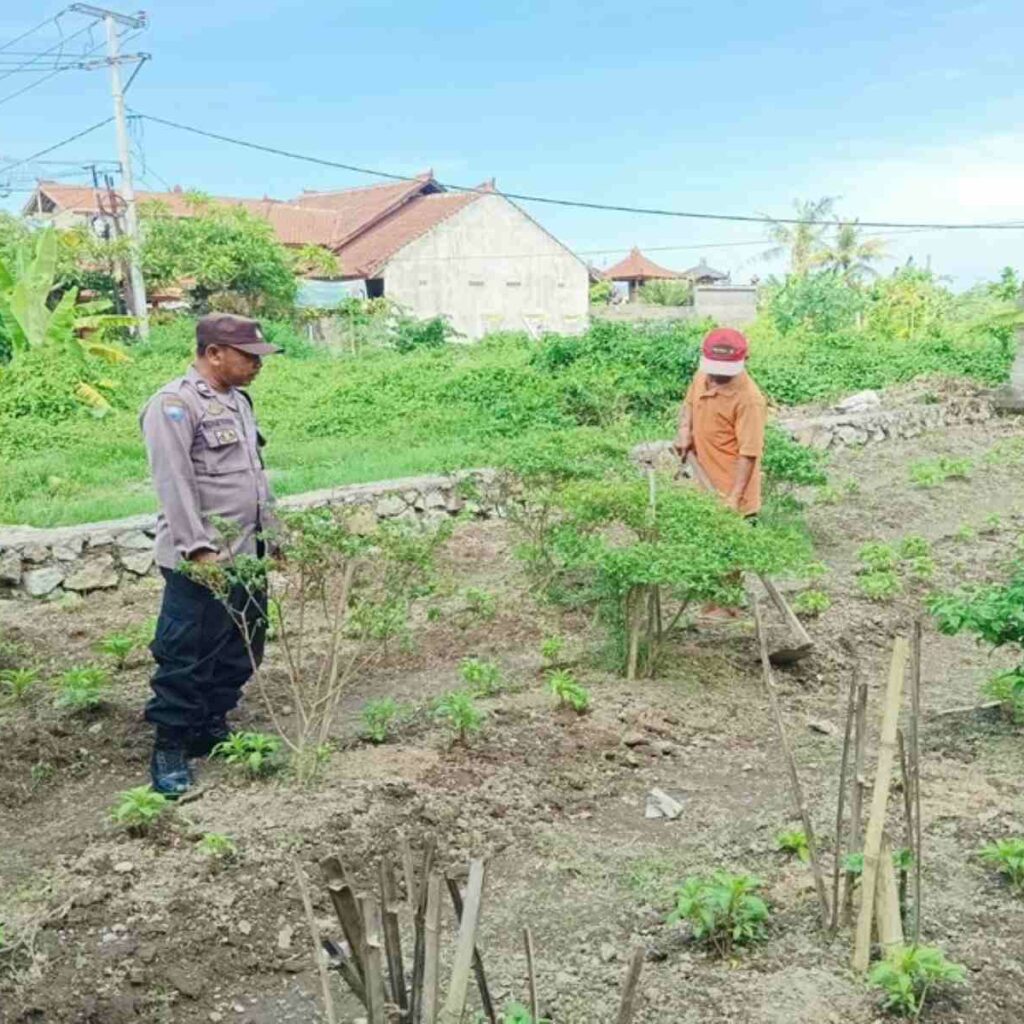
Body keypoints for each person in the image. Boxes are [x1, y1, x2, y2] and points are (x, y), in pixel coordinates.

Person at [140, 313, 281, 796]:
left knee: (244, 646)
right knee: (186, 653)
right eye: (248, 356)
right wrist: (198, 550)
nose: (257, 366)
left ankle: (209, 726)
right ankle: (170, 748)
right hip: (201, 559)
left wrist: (273, 536)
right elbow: (173, 484)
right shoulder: (174, 405)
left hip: (246, 551)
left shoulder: (238, 401)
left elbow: (255, 475)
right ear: (214, 352)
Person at [673, 327, 766, 517]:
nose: (717, 376)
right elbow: (689, 403)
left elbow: (749, 454)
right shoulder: (702, 377)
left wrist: (734, 498)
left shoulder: (749, 400)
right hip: (701, 485)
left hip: (731, 498)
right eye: (714, 368)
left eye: (725, 370)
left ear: (744, 360)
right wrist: (684, 429)